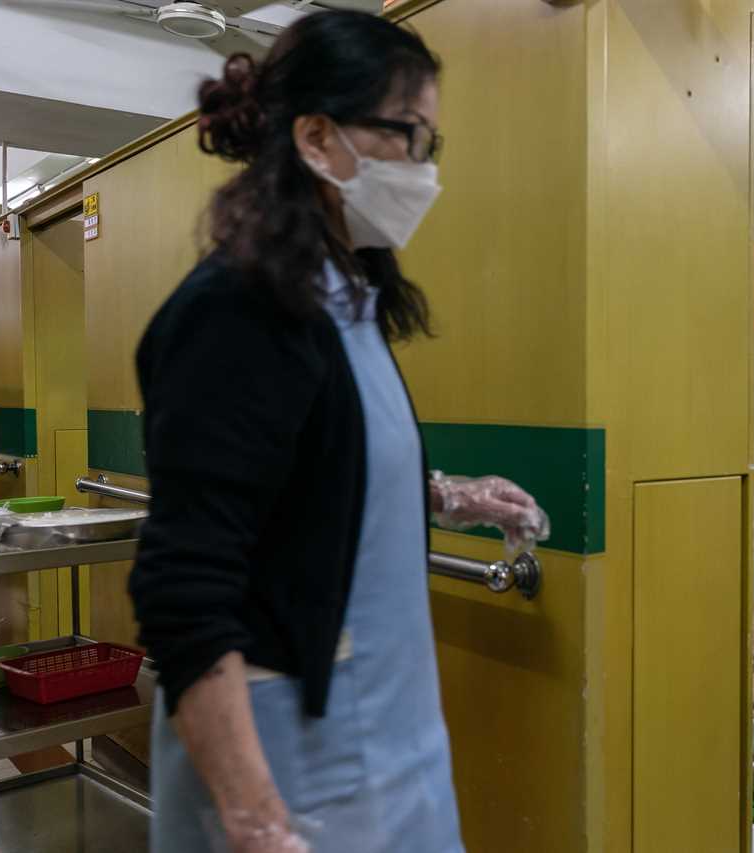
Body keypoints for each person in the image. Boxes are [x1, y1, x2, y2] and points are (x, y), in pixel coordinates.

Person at [128, 13, 548, 852]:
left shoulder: (341, 298)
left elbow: (315, 470)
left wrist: (448, 496)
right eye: (408, 135)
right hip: (292, 777)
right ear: (317, 138)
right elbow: (184, 592)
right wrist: (256, 822)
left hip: (388, 758)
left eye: (433, 142)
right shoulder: (239, 312)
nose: (425, 169)